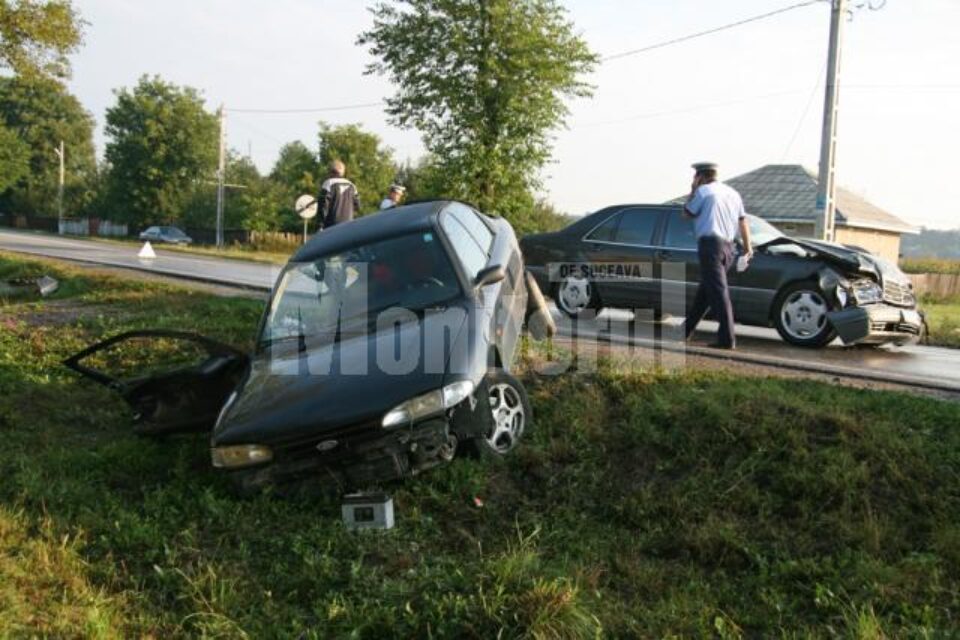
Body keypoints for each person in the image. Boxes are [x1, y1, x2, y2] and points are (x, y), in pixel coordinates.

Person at [680, 162, 752, 349]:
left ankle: (727, 339)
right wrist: (748, 248)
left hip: (710, 246)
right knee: (705, 293)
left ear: (700, 177)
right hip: (729, 248)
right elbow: (743, 222)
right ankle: (683, 332)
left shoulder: (704, 192)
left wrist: (693, 190)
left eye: (695, 178)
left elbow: (686, 214)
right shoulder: (733, 193)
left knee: (719, 293)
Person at [317, 159, 360, 229]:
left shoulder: (328, 183)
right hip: (349, 226)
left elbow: (322, 206)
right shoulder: (352, 185)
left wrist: (320, 225)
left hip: (331, 226)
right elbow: (357, 206)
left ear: (330, 171)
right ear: (343, 171)